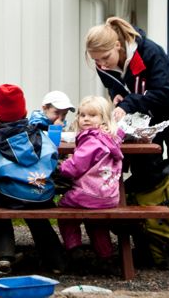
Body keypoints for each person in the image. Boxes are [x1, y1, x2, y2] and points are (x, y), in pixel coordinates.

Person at [85, 16, 169, 200]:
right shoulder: (103, 64)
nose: (102, 64)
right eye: (96, 60)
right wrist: (116, 94)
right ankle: (146, 218)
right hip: (146, 107)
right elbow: (113, 85)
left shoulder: (148, 51)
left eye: (105, 58)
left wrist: (128, 103)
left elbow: (162, 91)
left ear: (117, 45)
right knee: (144, 162)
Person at [0, 83, 65, 274]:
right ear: (25, 111)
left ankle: (4, 255)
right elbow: (52, 160)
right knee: (37, 210)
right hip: (41, 193)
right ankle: (55, 261)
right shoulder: (39, 134)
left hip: (11, 196)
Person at [56, 96, 123, 270]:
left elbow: (74, 168)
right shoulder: (111, 139)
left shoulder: (92, 141)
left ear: (104, 119)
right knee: (96, 222)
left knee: (63, 209)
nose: (85, 118)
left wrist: (62, 166)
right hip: (109, 197)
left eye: (92, 115)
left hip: (88, 194)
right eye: (82, 114)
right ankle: (106, 255)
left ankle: (74, 249)